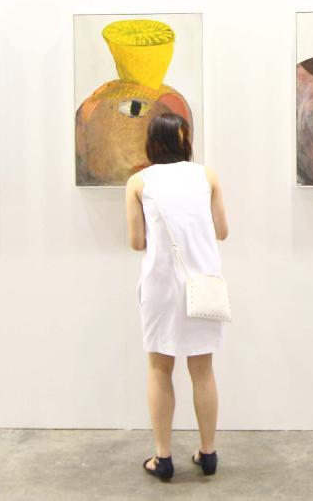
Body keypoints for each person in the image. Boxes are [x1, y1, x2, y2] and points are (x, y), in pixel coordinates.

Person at [125, 113, 229, 481]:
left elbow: (137, 242)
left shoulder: (139, 182)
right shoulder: (207, 176)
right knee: (202, 371)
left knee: (159, 368)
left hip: (160, 287)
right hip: (202, 284)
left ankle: (163, 458)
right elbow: (222, 230)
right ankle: (208, 453)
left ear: (152, 142)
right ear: (186, 140)